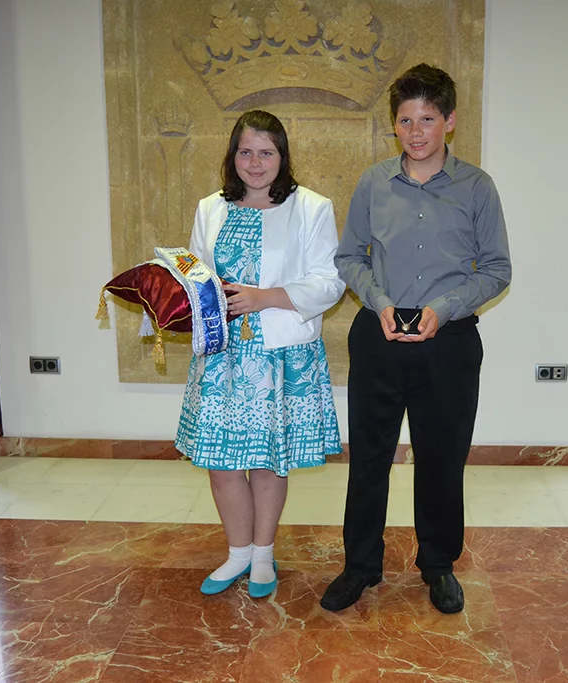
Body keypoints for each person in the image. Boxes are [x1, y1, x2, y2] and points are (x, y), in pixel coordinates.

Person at [322, 64, 511, 614]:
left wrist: (444, 307)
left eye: (427, 118)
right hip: (379, 333)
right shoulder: (373, 182)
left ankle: (438, 565)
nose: (416, 130)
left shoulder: (478, 187)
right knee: (370, 458)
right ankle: (360, 565)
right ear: (395, 125)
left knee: (441, 458)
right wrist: (379, 303)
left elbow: (497, 269)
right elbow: (348, 258)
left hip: (448, 339)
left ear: (449, 122)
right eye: (405, 120)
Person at [175, 110, 345, 599]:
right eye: (245, 151)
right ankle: (237, 554)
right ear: (232, 156)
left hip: (280, 356)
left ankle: (264, 556)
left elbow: (329, 280)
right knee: (223, 462)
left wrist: (262, 296)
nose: (255, 162)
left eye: (266, 152)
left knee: (271, 460)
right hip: (222, 355)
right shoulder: (210, 208)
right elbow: (197, 275)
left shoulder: (311, 207)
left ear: (281, 157)